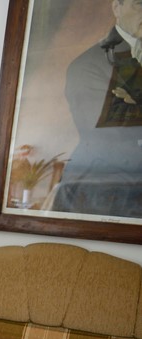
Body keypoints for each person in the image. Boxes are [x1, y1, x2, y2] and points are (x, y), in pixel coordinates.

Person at [51, 0, 142, 216]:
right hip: (104, 193)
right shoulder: (87, 65)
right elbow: (109, 135)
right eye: (140, 4)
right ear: (116, 8)